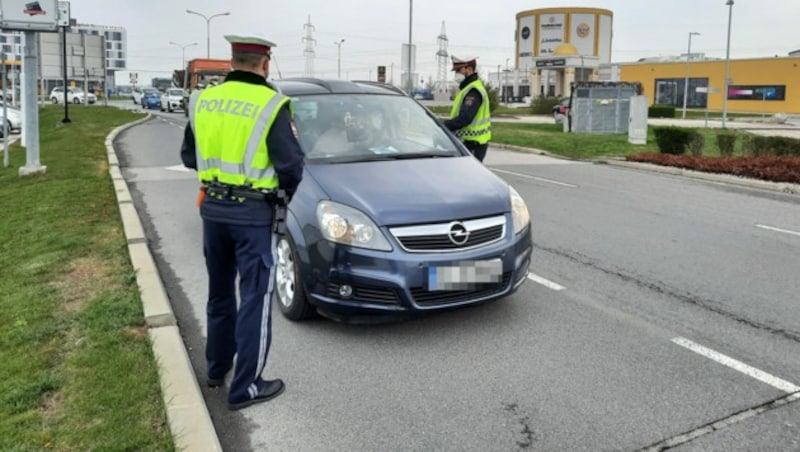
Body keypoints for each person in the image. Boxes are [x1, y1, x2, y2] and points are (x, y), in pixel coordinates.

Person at [179, 34, 305, 411]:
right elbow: (291, 166)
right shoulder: (272, 103)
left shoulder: (202, 100)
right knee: (255, 298)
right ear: (264, 64)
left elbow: (189, 157)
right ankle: (246, 387)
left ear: (231, 62)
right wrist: (281, 198)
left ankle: (217, 369)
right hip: (253, 215)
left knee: (219, 292)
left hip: (213, 211)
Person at [443, 56, 492, 162]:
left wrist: (443, 126)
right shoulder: (466, 89)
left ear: (469, 69)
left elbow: (465, 118)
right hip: (468, 144)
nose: (456, 74)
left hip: (474, 145)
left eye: (458, 70)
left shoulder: (473, 91)